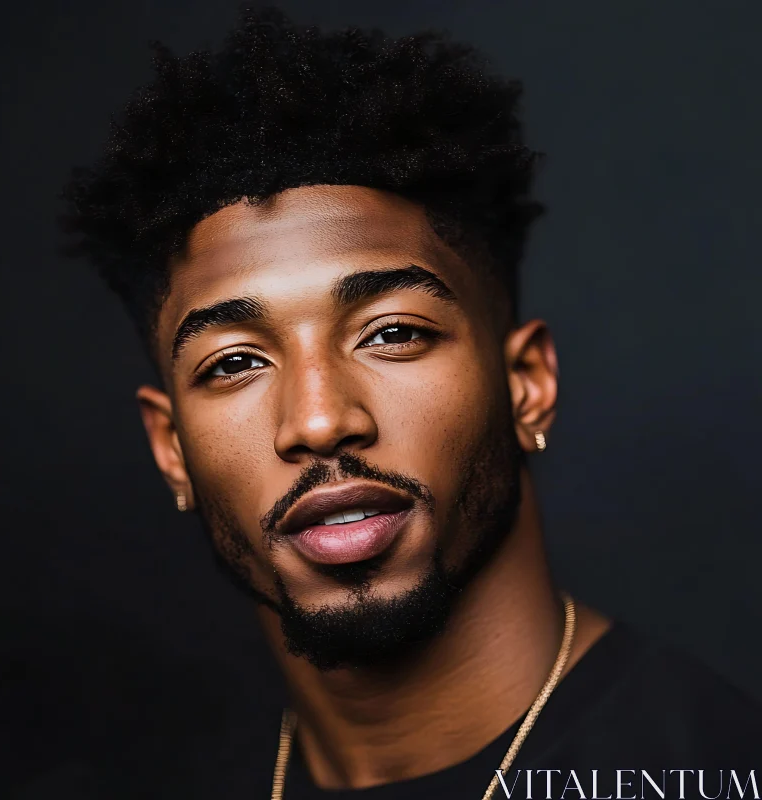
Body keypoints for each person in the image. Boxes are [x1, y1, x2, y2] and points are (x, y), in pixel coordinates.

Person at [57, 6, 762, 798]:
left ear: (527, 385)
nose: (321, 420)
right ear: (170, 449)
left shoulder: (709, 761)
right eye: (236, 362)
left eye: (391, 333)